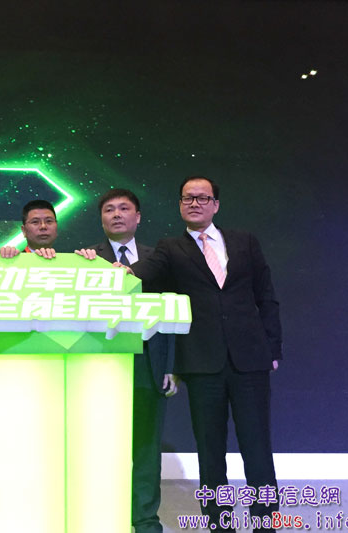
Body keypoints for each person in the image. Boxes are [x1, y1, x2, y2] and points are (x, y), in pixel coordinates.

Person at [128, 176, 282, 532]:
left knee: (258, 447)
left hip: (250, 361)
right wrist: (107, 269)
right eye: (187, 198)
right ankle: (219, 522)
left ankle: (266, 522)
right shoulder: (170, 248)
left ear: (216, 204)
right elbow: (140, 275)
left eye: (202, 198)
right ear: (180, 205)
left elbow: (266, 296)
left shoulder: (244, 241)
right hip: (201, 364)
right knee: (210, 451)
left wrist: (273, 347)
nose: (194, 203)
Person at [90, 189, 177, 533]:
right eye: (109, 210)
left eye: (123, 208)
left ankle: (144, 519)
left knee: (145, 448)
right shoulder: (87, 259)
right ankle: (103, 516)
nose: (116, 214)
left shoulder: (160, 258)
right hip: (101, 365)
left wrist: (172, 366)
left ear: (137, 217)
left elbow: (172, 310)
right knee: (101, 445)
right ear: (101, 219)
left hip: (148, 363)